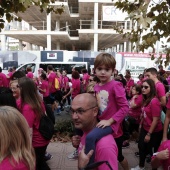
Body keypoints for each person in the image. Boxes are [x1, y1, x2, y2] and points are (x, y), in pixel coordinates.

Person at [85, 53, 129, 169]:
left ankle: (90, 166)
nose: (103, 72)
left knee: (90, 138)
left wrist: (110, 121)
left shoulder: (116, 85)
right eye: (100, 69)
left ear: (113, 71)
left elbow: (125, 107)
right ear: (95, 70)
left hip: (111, 124)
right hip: (100, 122)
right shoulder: (96, 87)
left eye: (107, 69)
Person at [71, 93, 118, 170]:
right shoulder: (86, 130)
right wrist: (79, 144)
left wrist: (82, 168)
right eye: (73, 111)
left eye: (80, 111)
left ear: (95, 111)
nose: (74, 117)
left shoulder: (105, 146)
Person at [17, 77, 50, 170]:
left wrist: (26, 148)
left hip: (36, 142)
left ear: (23, 89)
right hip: (43, 137)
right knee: (41, 162)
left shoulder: (28, 107)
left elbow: (28, 130)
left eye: (18, 86)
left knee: (37, 164)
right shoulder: (38, 100)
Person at [131, 79, 163, 170]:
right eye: (142, 87)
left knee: (152, 151)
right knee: (141, 147)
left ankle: (154, 168)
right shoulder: (145, 99)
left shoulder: (154, 101)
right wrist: (141, 125)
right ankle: (141, 166)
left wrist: (149, 134)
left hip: (154, 131)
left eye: (146, 87)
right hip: (145, 128)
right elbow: (144, 115)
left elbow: (156, 120)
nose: (143, 89)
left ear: (151, 88)